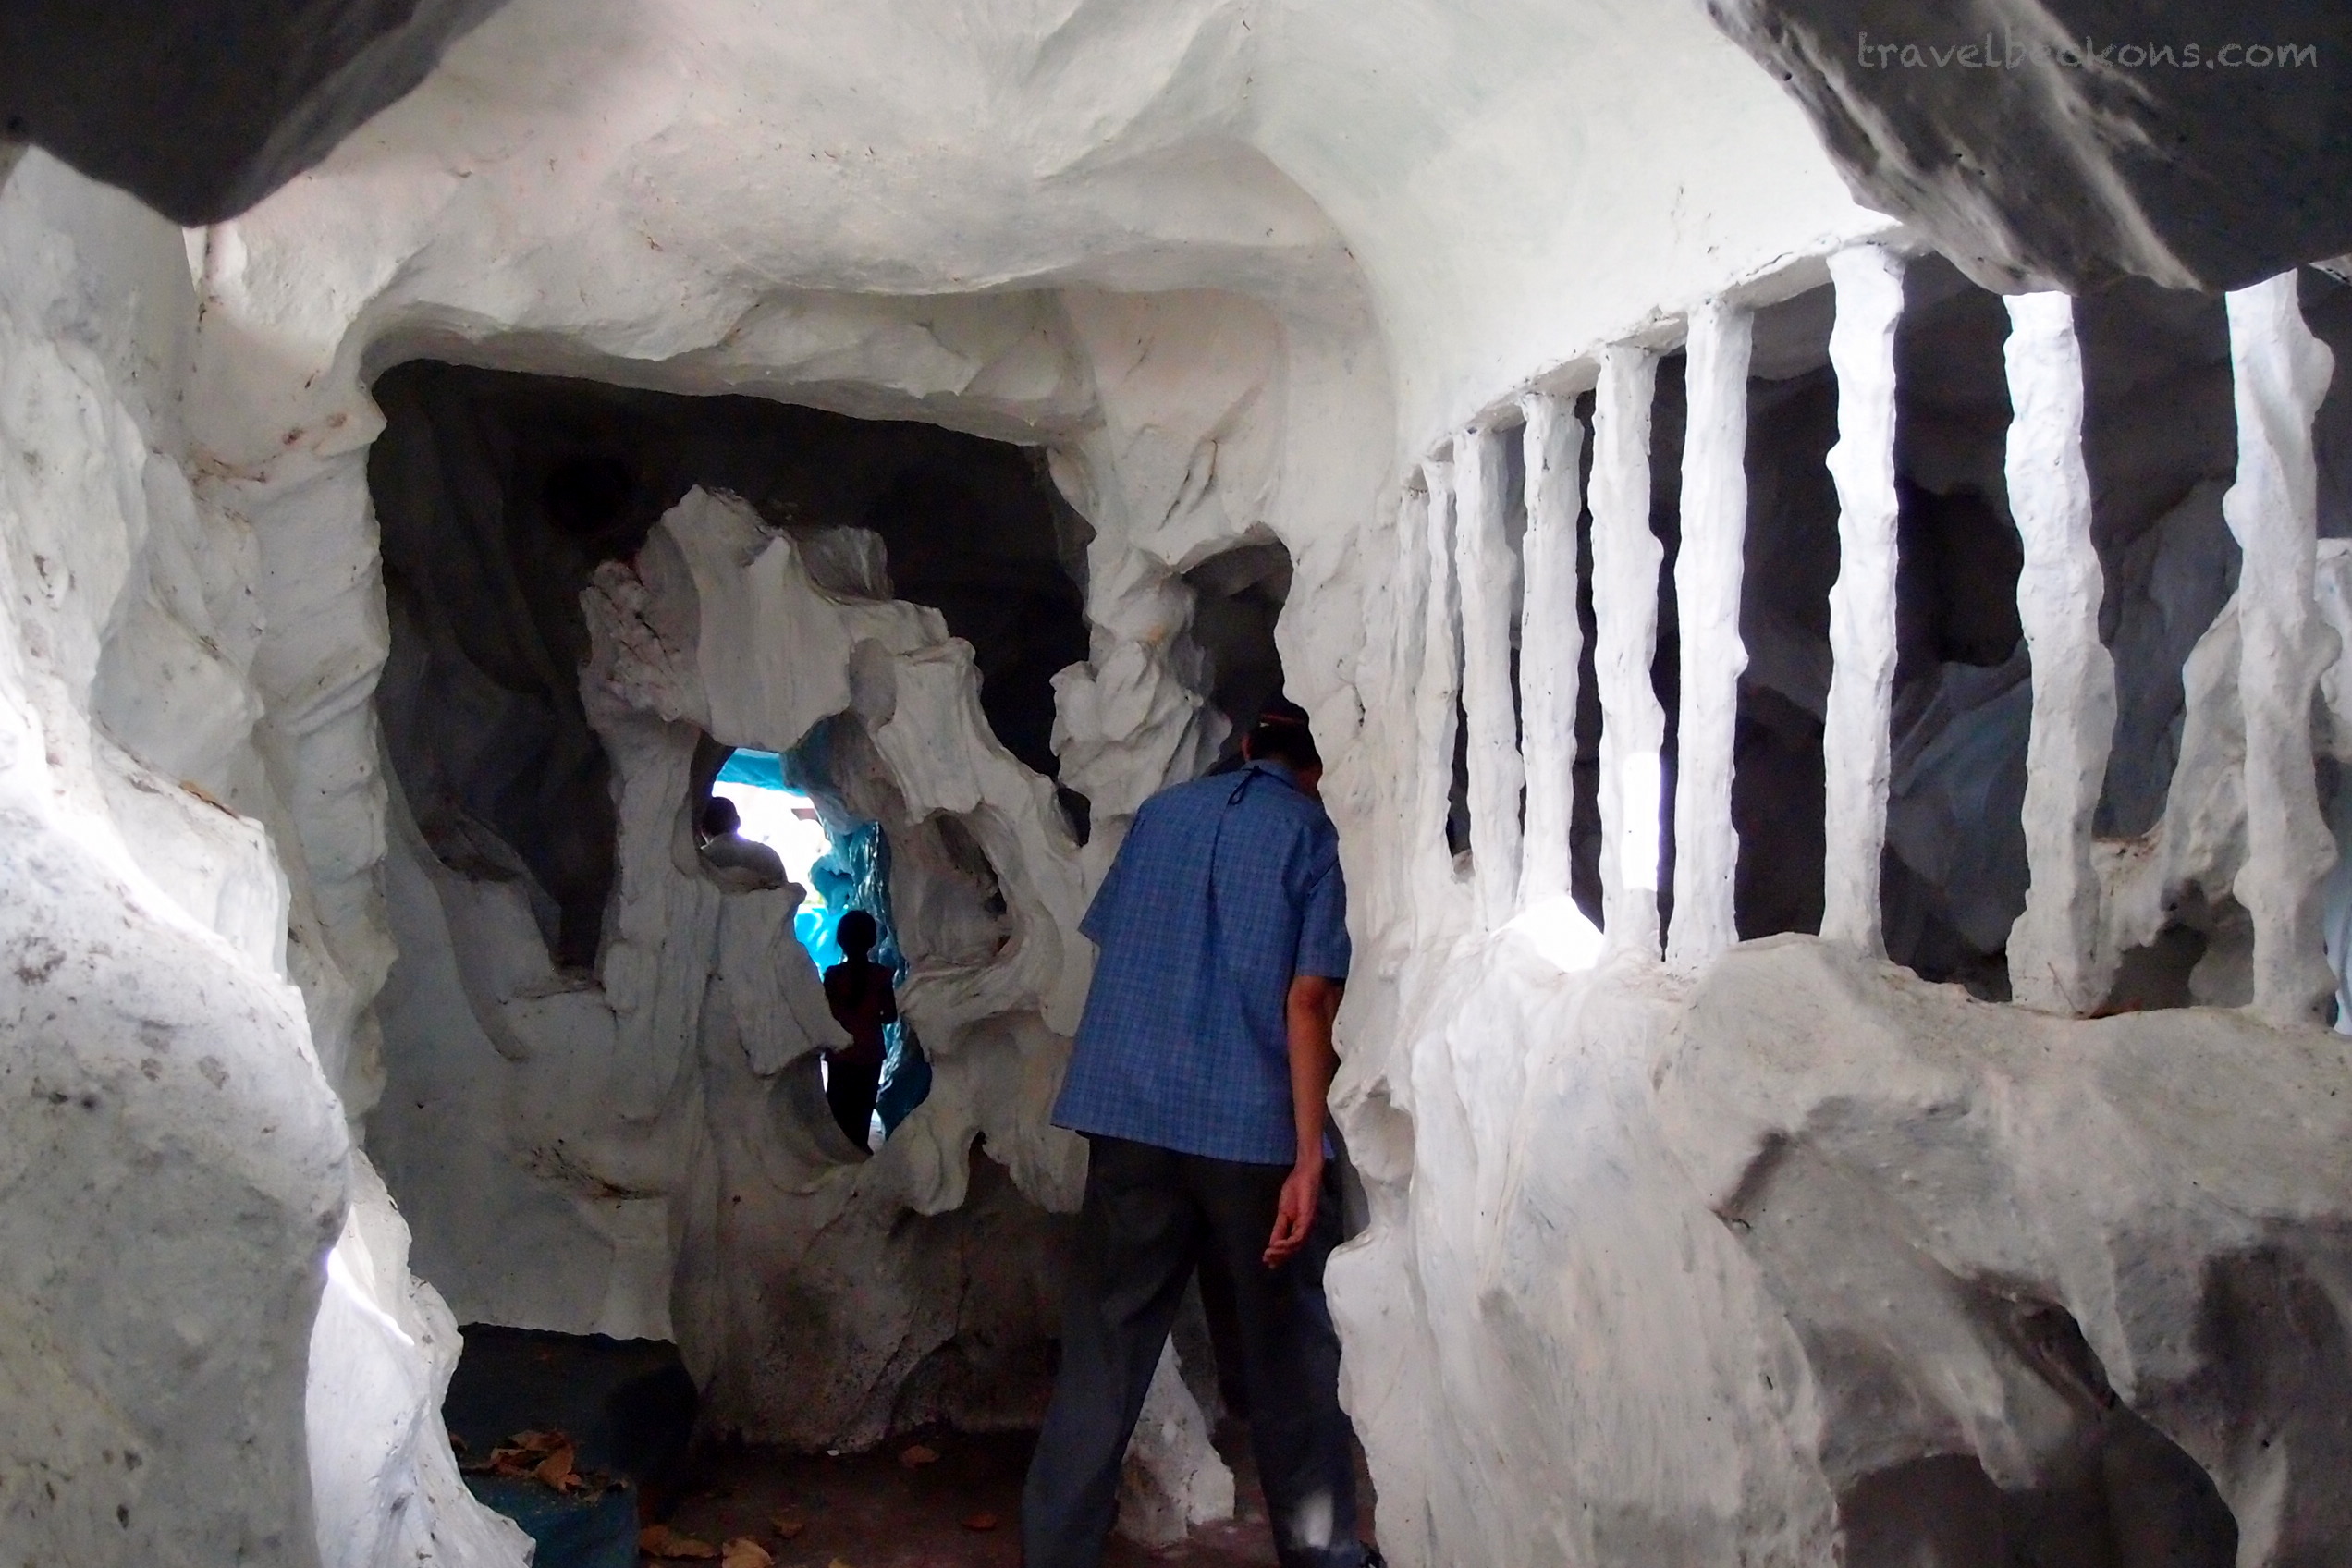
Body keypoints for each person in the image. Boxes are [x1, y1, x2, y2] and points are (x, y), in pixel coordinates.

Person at [1023, 698, 1378, 1568]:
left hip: (1131, 1117)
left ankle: (1054, 1552)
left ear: (1249, 745)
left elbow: (1122, 943)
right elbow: (1309, 998)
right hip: (1251, 1134)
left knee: (1106, 1349)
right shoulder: (1315, 837)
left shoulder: (1161, 817)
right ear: (1320, 767)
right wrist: (1309, 1156)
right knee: (1290, 1356)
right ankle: (1324, 1556)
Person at [821, 909, 896, 1154]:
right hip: (870, 1054)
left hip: (841, 1054)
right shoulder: (882, 976)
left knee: (839, 1112)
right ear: (872, 940)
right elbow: (890, 1015)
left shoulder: (833, 976)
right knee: (862, 1111)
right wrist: (871, 1016)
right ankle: (860, 1155)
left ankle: (838, 1158)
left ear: (841, 940)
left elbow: (825, 1014)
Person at [697, 795, 785, 888]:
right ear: (738, 822)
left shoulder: (699, 861)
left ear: (703, 830)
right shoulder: (768, 855)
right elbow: (786, 893)